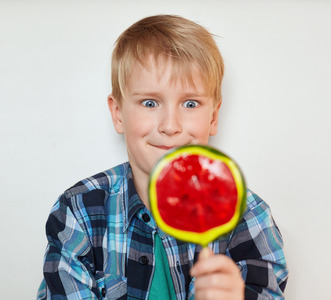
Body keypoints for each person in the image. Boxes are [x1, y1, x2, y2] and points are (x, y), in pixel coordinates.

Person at [37, 15, 288, 299]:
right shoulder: (79, 210)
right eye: (150, 102)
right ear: (118, 114)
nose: (170, 126)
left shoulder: (248, 217)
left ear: (213, 117)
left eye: (190, 103)